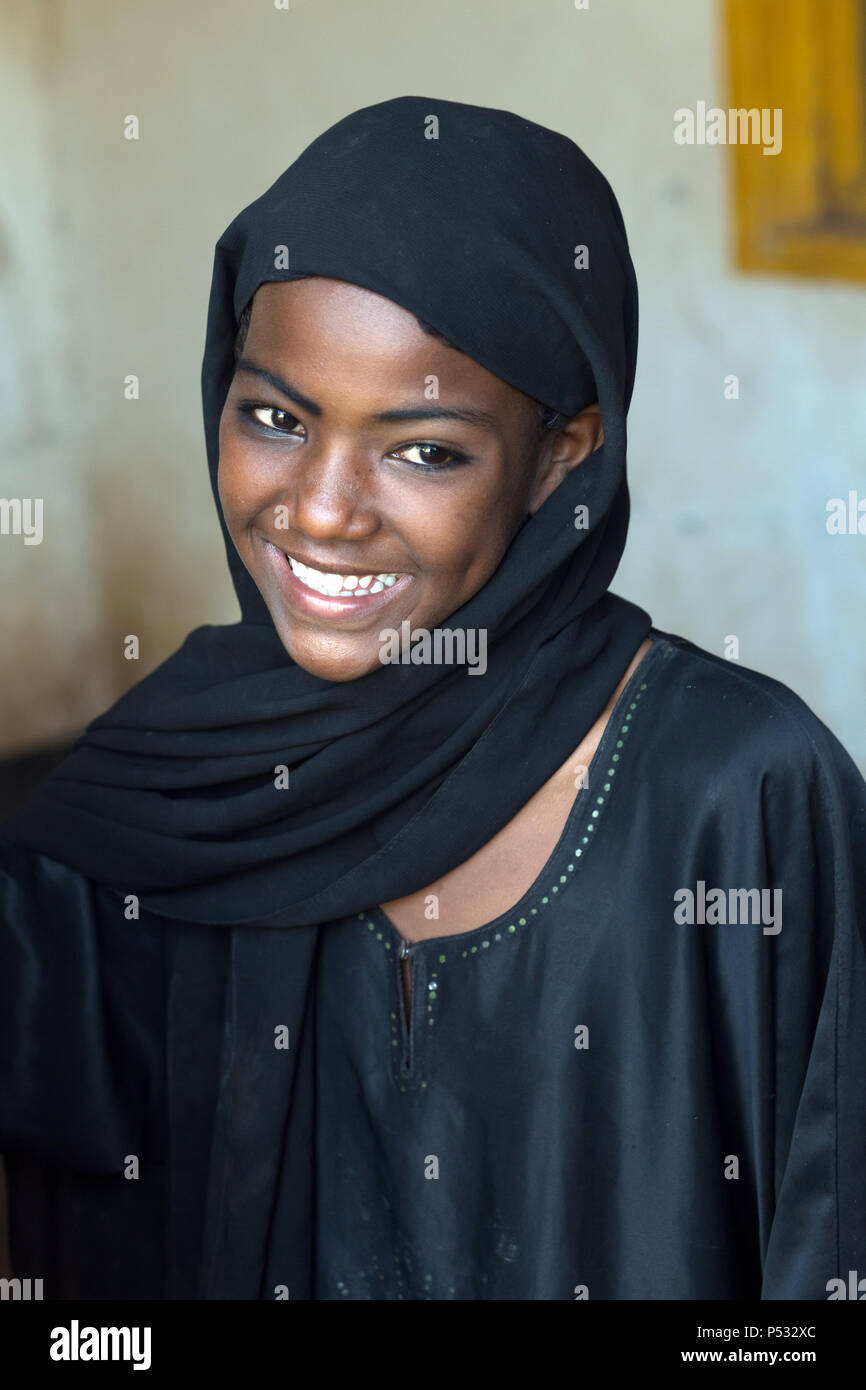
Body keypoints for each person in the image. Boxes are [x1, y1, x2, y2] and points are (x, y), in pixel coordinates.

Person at [1, 95, 864, 1301]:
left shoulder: (736, 792)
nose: (319, 507)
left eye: (421, 449)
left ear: (563, 454)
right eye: (274, 417)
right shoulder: (166, 789)